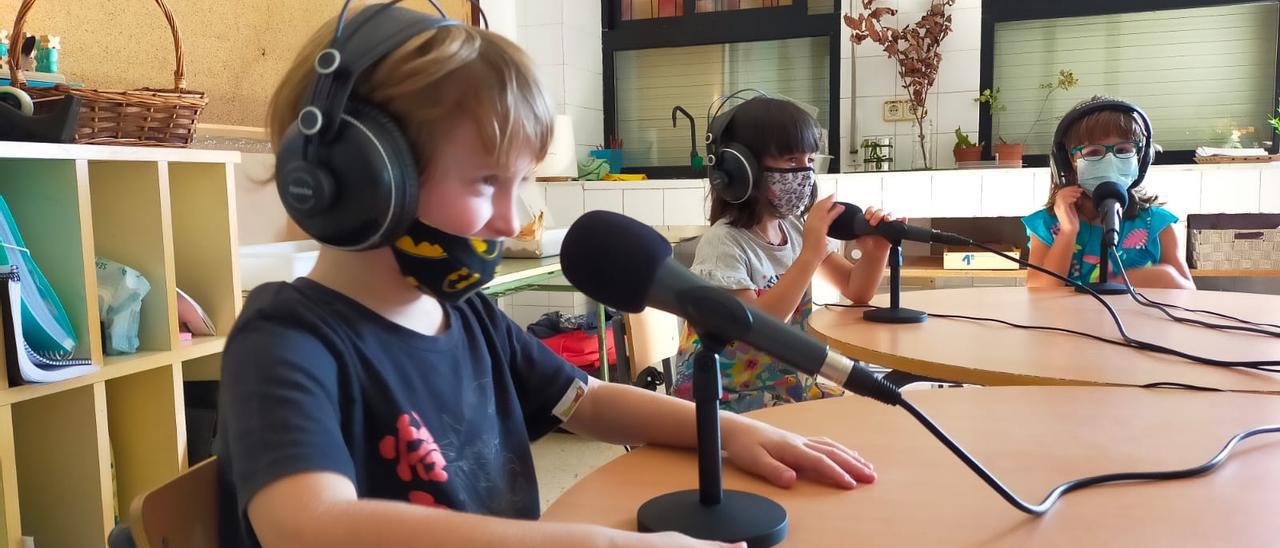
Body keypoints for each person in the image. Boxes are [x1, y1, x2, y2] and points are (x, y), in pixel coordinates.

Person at [215, 6, 876, 547]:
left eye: (523, 181)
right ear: (363, 179)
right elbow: (309, 525)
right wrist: (597, 543)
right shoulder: (286, 340)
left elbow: (585, 400)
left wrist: (733, 430)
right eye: (485, 182)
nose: (513, 217)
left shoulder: (465, 316)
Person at [672, 97, 896, 413]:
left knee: (868, 414)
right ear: (741, 169)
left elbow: (856, 289)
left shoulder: (792, 228)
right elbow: (759, 328)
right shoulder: (723, 243)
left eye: (810, 160)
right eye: (791, 160)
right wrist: (810, 254)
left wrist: (876, 251)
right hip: (726, 396)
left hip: (783, 384)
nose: (804, 172)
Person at [1023, 97, 1194, 289]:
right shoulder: (1046, 225)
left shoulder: (1156, 224)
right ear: (1067, 162)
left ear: (1141, 158)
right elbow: (1038, 290)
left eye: (1122, 150)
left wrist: (1132, 280)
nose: (1111, 160)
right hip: (1067, 320)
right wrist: (1067, 232)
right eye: (1094, 152)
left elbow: (1188, 293)